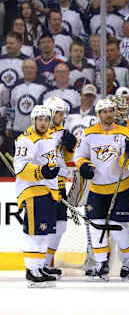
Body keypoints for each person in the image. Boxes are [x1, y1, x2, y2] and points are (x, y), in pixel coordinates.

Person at [73, 99, 129, 281]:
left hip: (120, 186)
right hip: (97, 188)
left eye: (111, 111)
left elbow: (127, 164)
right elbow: (80, 156)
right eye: (104, 111)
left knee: (119, 227)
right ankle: (101, 262)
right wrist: (83, 166)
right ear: (98, 114)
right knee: (96, 225)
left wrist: (128, 154)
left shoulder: (125, 133)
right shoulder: (89, 133)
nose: (108, 114)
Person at [15, 104, 59, 287]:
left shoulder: (51, 138)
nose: (43, 123)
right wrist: (41, 172)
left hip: (48, 191)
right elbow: (21, 168)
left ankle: (39, 267)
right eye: (39, 119)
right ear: (33, 120)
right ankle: (32, 270)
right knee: (34, 233)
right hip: (33, 191)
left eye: (46, 119)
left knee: (44, 233)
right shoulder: (25, 140)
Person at [42, 96, 77, 278]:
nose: (62, 117)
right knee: (45, 225)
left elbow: (68, 160)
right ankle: (40, 263)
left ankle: (47, 263)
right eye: (59, 113)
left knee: (61, 225)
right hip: (46, 185)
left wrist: (70, 148)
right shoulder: (39, 132)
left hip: (61, 183)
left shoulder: (63, 131)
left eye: (63, 113)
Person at [7, 59, 47, 139]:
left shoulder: (43, 88)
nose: (29, 70)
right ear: (22, 69)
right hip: (17, 130)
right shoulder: (15, 88)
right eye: (26, 67)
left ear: (36, 69)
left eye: (32, 67)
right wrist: (8, 125)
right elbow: (11, 108)